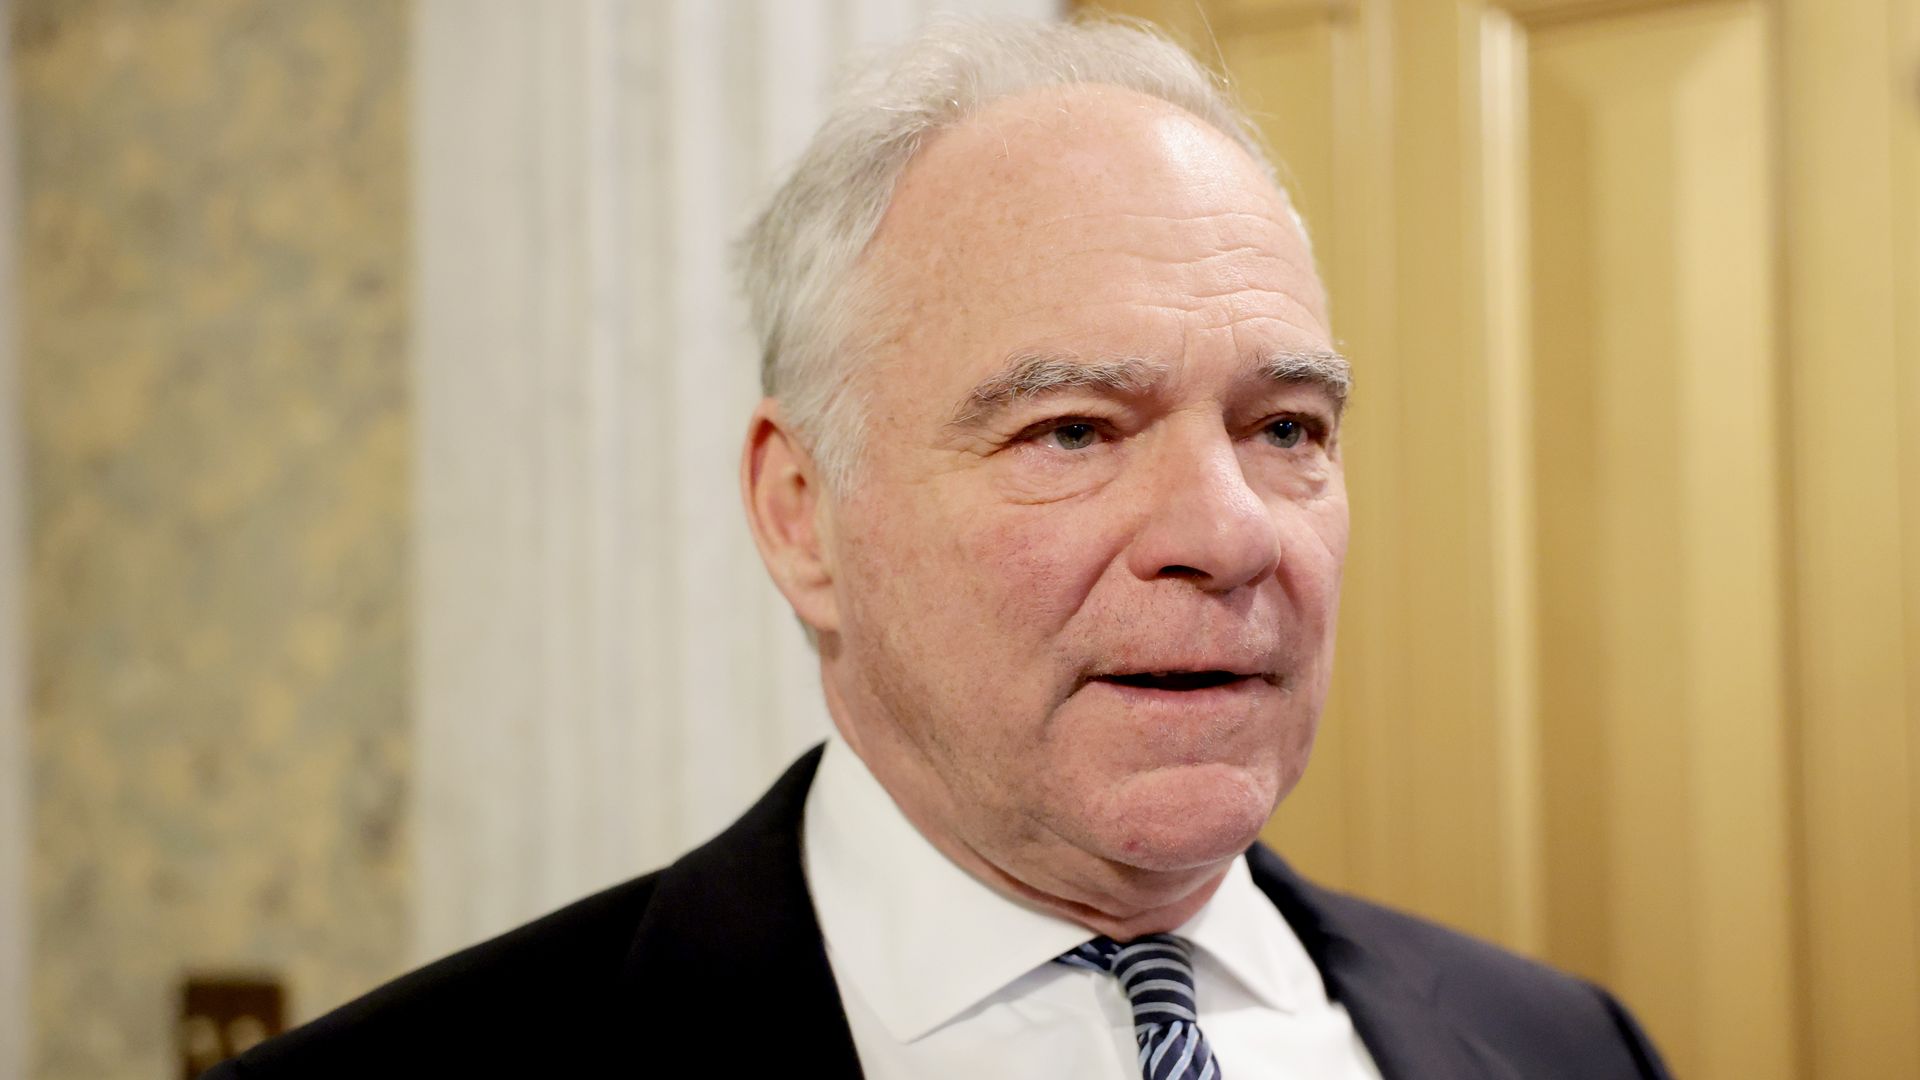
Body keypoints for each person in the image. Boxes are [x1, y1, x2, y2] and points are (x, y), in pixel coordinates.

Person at [208, 16, 1671, 1079]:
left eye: (1285, 426)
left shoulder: (1568, 1047)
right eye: (1074, 432)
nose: (1229, 533)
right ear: (802, 515)